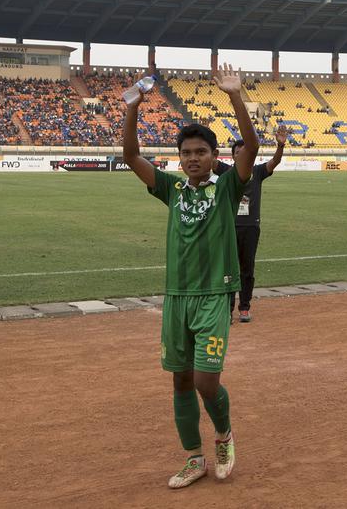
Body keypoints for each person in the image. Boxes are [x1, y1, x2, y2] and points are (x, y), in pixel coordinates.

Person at [123, 63, 255, 489]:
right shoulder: (172, 190)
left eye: (201, 152)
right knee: (180, 380)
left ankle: (224, 434)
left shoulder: (228, 187)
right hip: (176, 297)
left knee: (204, 381)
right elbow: (130, 156)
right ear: (179, 159)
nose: (193, 158)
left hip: (214, 296)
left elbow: (250, 147)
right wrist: (131, 110)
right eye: (186, 153)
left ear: (214, 157)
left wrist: (235, 95)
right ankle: (193, 458)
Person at [214, 124, 287, 323]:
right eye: (237, 152)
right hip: (229, 227)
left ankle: (244, 308)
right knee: (228, 270)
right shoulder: (226, 171)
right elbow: (210, 161)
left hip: (251, 227)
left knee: (247, 270)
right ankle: (227, 310)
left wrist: (280, 146)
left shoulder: (258, 171)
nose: (241, 155)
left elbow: (275, 161)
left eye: (244, 152)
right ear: (232, 156)